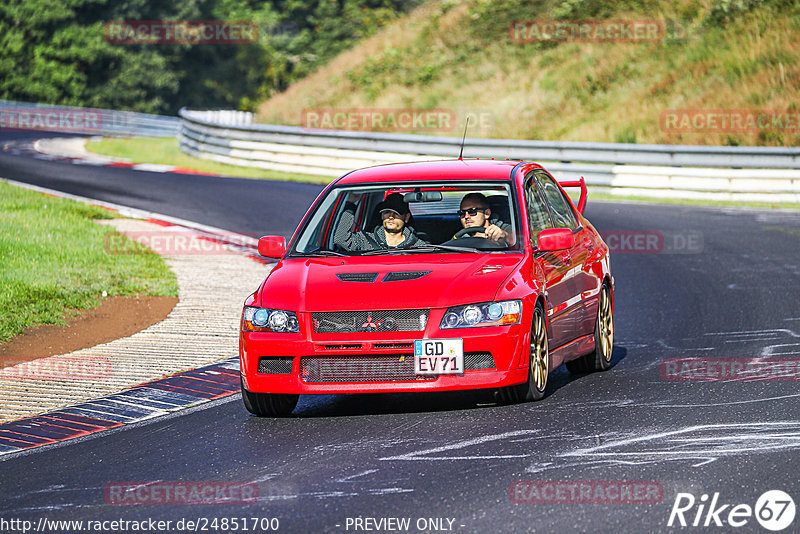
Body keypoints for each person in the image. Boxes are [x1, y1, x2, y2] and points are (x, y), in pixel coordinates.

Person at [334, 192, 426, 251]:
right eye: (387, 212)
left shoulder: (418, 247)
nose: (391, 216)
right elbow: (340, 239)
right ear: (382, 215)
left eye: (397, 213)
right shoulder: (365, 240)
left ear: (406, 217)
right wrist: (350, 205)